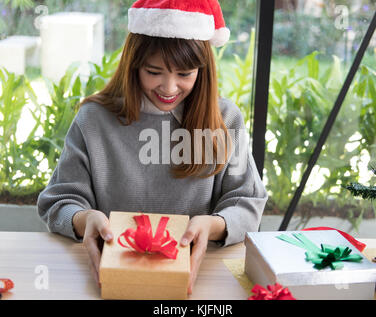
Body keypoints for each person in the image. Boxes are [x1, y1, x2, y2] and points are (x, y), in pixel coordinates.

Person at [37, 0, 268, 295]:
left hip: (199, 283)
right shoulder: (94, 120)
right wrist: (84, 219)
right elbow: (58, 200)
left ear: (203, 69)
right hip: (110, 281)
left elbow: (246, 202)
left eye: (185, 74)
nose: (169, 88)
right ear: (133, 64)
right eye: (153, 71)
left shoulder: (224, 120)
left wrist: (212, 225)